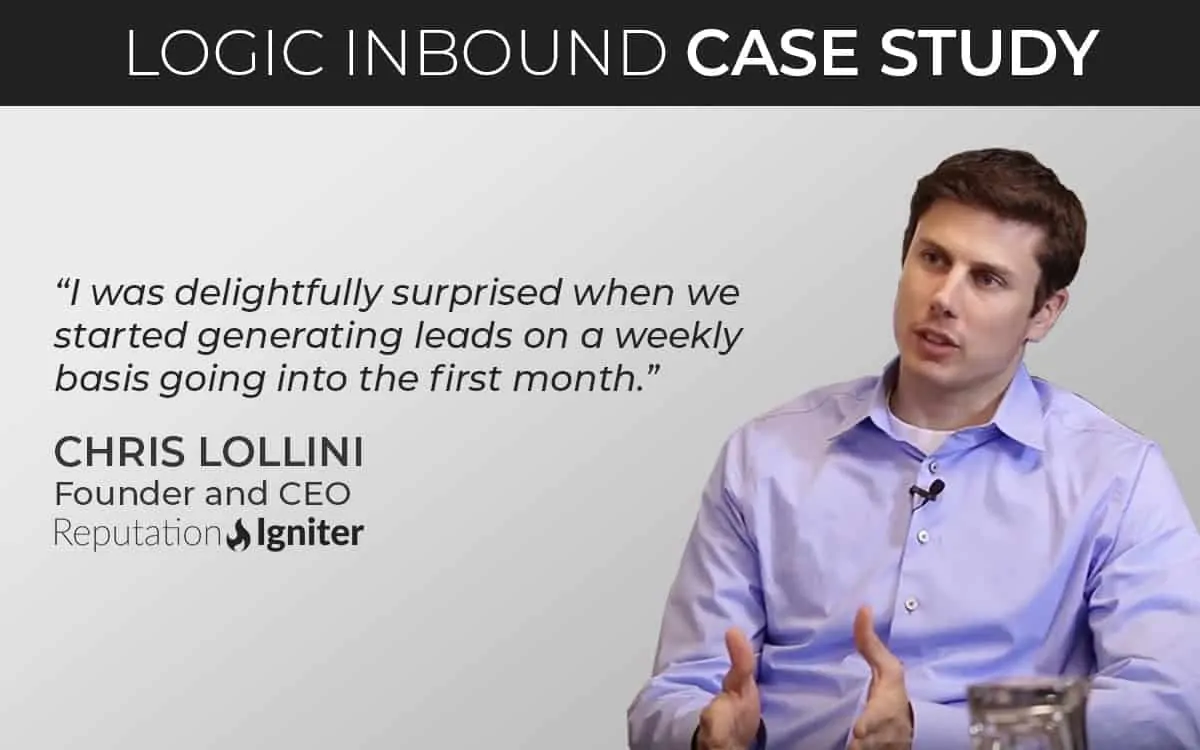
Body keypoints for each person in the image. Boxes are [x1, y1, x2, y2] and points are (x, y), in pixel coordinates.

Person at [626, 147, 1200, 750]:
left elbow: (1167, 708)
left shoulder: (1116, 476)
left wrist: (936, 730)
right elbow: (674, 691)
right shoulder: (765, 456)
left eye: (987, 279)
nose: (944, 297)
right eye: (933, 259)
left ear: (1044, 313)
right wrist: (702, 731)